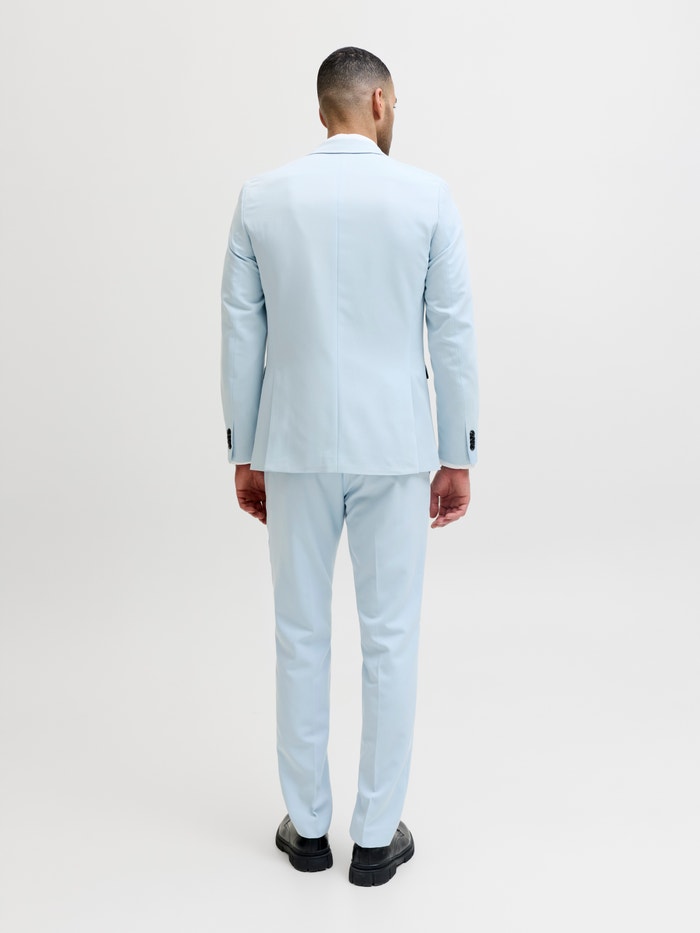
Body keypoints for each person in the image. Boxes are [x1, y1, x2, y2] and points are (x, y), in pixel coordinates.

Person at [220, 46, 479, 886]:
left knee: (299, 633)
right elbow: (451, 329)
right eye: (394, 102)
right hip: (396, 446)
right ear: (377, 101)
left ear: (323, 108)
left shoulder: (262, 197)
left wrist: (245, 451)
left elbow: (242, 333)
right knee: (390, 637)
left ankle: (307, 829)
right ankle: (374, 836)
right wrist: (456, 452)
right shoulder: (426, 196)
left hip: (293, 444)